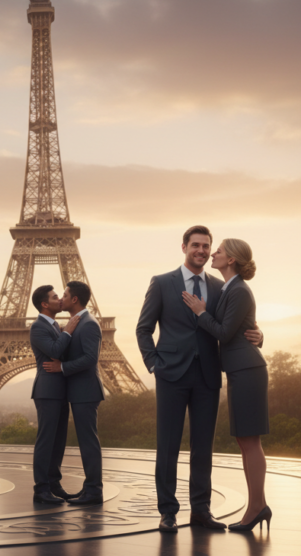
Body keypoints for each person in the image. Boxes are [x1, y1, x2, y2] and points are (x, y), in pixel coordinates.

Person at [136, 225, 263, 533]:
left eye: (207, 246)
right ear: (184, 247)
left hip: (208, 374)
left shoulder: (222, 287)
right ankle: (167, 512)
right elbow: (143, 328)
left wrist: (259, 335)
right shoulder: (162, 282)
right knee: (167, 445)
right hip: (171, 374)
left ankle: (201, 510)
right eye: (196, 245)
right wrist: (154, 364)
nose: (203, 251)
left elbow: (237, 322)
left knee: (203, 446)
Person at [182, 238, 271, 532]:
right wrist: (257, 332)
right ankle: (258, 504)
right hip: (239, 370)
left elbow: (223, 331)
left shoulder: (239, 290)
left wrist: (200, 312)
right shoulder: (230, 289)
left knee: (249, 441)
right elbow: (245, 325)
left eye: (218, 250)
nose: (214, 254)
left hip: (246, 370)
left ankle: (256, 507)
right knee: (245, 441)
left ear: (231, 259)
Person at [43, 282, 104, 505]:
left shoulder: (88, 324)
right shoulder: (75, 323)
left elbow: (90, 358)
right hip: (78, 391)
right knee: (86, 442)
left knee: (88, 442)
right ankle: (90, 488)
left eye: (65, 295)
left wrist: (62, 368)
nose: (62, 299)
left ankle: (94, 491)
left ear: (75, 299)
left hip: (85, 392)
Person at [28, 285, 80, 505]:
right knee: (46, 440)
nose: (60, 300)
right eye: (55, 297)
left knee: (58, 441)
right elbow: (55, 351)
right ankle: (41, 489)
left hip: (60, 390)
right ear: (44, 304)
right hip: (47, 391)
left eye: (61, 296)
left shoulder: (56, 327)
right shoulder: (38, 327)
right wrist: (68, 330)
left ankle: (54, 483)